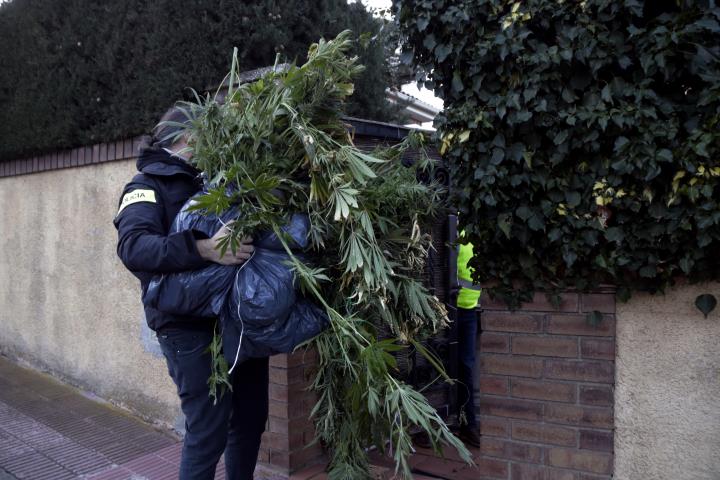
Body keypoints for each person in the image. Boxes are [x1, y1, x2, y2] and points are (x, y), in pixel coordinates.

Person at [113, 105, 268, 480]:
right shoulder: (145, 186)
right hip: (186, 328)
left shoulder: (212, 179)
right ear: (190, 136)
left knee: (250, 419)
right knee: (208, 432)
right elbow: (133, 247)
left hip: (234, 319)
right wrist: (204, 248)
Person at [455, 235, 482, 448]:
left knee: (466, 365)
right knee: (437, 364)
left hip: (469, 308)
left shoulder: (474, 225)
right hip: (446, 306)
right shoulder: (453, 223)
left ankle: (468, 424)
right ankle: (427, 426)